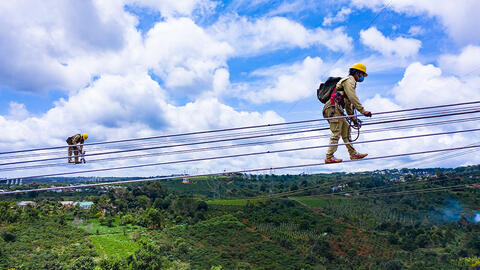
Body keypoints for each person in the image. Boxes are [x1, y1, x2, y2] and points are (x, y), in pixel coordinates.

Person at [322, 63, 372, 164]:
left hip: (337, 109)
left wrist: (354, 120)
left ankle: (353, 154)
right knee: (336, 132)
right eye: (362, 74)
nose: (362, 77)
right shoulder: (349, 81)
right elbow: (353, 98)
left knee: (346, 130)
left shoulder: (350, 83)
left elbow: (348, 105)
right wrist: (363, 111)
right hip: (333, 108)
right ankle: (329, 157)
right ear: (357, 73)